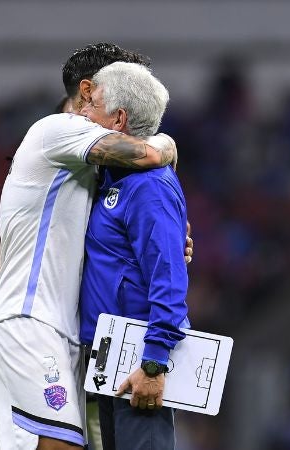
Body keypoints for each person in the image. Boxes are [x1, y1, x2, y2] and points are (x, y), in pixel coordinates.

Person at [0, 45, 180, 450]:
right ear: (88, 91)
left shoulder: (92, 173)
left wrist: (171, 233)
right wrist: (168, 143)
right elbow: (146, 153)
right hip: (31, 318)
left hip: (72, 336)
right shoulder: (56, 129)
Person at [79, 62, 190, 450]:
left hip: (138, 364)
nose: (83, 113)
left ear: (119, 118)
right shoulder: (111, 177)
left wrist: (154, 363)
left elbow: (169, 276)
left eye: (92, 105)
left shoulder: (149, 187)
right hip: (107, 362)